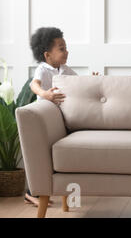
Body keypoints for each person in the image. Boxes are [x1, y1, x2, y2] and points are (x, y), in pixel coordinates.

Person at [26, 27, 98, 207]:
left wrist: (92, 79)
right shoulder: (43, 69)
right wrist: (44, 94)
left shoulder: (65, 70)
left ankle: (64, 186)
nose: (66, 51)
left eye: (65, 47)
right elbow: (34, 85)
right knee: (42, 158)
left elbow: (78, 83)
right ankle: (31, 192)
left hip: (60, 118)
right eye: (61, 48)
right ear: (47, 55)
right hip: (45, 118)